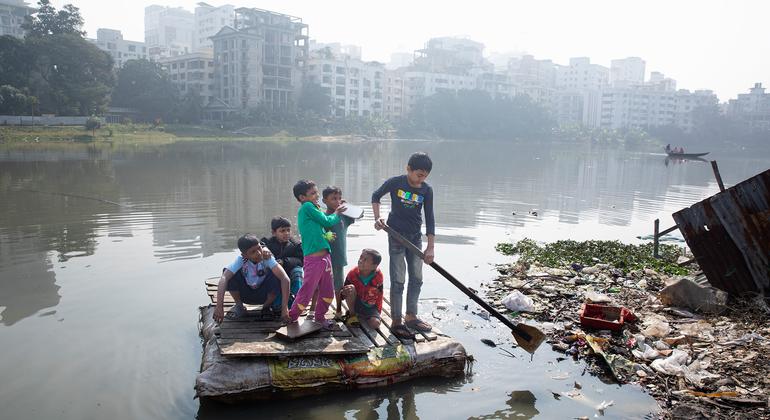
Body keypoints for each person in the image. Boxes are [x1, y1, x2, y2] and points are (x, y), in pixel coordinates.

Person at [372, 152, 435, 339]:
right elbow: (376, 196)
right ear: (408, 168)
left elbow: (430, 218)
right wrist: (377, 217)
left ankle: (411, 316)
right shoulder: (396, 182)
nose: (420, 179)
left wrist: (430, 247)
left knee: (417, 278)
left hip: (415, 237)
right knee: (398, 279)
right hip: (395, 236)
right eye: (418, 174)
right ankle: (397, 321)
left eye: (424, 176)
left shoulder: (426, 190)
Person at [288, 179, 347, 328]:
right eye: (313, 193)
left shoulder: (313, 209)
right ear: (302, 198)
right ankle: (292, 316)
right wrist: (337, 213)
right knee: (307, 291)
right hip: (314, 260)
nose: (316, 195)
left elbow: (316, 230)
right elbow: (327, 221)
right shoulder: (307, 207)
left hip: (325, 257)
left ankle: (320, 317)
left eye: (316, 192)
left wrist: (326, 237)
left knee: (328, 291)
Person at [213, 234, 290, 324]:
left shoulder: (267, 258)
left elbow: (285, 279)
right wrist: (219, 306)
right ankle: (239, 306)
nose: (259, 253)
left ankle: (266, 308)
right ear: (244, 255)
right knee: (228, 273)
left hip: (265, 296)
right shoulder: (241, 260)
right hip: (246, 295)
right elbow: (224, 278)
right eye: (253, 252)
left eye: (259, 248)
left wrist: (285, 308)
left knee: (276, 275)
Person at [322, 186, 356, 318]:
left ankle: (338, 310)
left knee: (338, 285)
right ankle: (316, 309)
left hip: (339, 256)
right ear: (325, 201)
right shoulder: (322, 217)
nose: (337, 201)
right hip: (324, 256)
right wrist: (326, 236)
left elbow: (360, 214)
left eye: (339, 198)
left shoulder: (344, 217)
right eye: (333, 199)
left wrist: (348, 206)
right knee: (321, 283)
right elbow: (318, 235)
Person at [261, 217, 303, 309]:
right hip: (275, 276)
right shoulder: (267, 243)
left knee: (298, 271)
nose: (286, 233)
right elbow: (259, 244)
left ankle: (297, 300)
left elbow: (301, 260)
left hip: (290, 273)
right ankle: (278, 303)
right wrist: (264, 248)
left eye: (288, 230)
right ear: (274, 232)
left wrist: (285, 261)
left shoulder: (295, 244)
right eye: (282, 231)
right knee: (277, 306)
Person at [337, 249, 384, 329]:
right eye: (361, 257)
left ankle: (362, 316)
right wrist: (344, 292)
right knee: (350, 288)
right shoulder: (352, 273)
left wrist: (378, 312)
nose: (361, 261)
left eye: (365, 260)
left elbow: (380, 294)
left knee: (375, 324)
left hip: (370, 307)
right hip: (356, 303)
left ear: (374, 266)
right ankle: (352, 315)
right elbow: (342, 295)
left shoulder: (378, 276)